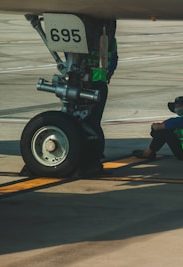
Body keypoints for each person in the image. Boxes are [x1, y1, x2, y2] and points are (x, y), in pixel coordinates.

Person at [83, 19, 118, 173]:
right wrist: (108, 74)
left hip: (88, 83)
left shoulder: (86, 40)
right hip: (101, 84)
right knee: (95, 122)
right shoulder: (110, 40)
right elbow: (114, 60)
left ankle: (92, 156)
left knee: (86, 121)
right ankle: (96, 153)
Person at [132, 96, 183, 160]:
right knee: (168, 129)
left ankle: (148, 152)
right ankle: (150, 151)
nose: (176, 108)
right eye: (176, 106)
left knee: (165, 132)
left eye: (179, 106)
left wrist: (155, 130)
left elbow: (159, 127)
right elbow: (171, 122)